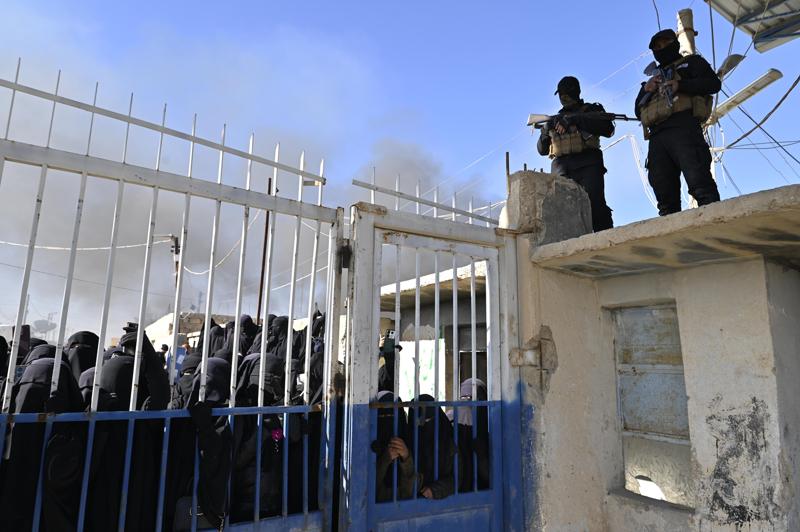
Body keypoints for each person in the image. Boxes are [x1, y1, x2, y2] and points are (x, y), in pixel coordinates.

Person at [635, 28, 721, 215]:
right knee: (663, 191)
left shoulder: (692, 63)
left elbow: (713, 84)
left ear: (675, 43)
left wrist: (680, 85)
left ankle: (715, 222)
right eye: (657, 47)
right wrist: (647, 89)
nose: (662, 48)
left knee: (699, 182)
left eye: (666, 43)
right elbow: (637, 111)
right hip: (657, 135)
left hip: (683, 126)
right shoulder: (652, 79)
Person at [537, 76, 615, 231]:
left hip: (588, 165)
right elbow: (542, 150)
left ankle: (606, 238)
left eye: (566, 93)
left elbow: (608, 129)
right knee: (565, 211)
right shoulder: (554, 119)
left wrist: (575, 120)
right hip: (562, 170)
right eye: (561, 94)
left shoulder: (590, 110)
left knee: (595, 205)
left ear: (576, 92)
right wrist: (545, 130)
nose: (563, 97)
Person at [408, 394, 458, 499]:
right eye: (420, 422)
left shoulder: (448, 441)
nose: (425, 425)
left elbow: (457, 477)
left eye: (429, 420)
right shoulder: (406, 442)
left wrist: (435, 490)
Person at [449, 378, 491, 492]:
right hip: (473, 483)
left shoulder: (450, 415)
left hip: (458, 484)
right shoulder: (486, 419)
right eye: (464, 398)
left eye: (469, 397)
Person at [373, 390, 414, 502]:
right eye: (383, 415)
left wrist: (406, 457)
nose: (388, 420)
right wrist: (385, 459)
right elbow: (365, 487)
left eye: (393, 415)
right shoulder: (368, 444)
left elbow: (414, 489)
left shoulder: (411, 440)